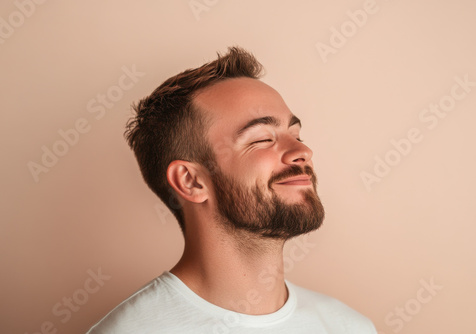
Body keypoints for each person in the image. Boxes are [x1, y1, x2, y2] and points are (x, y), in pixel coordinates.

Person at [86, 46, 377, 333]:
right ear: (191, 181)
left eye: (295, 134)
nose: (303, 151)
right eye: (263, 138)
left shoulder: (350, 327)